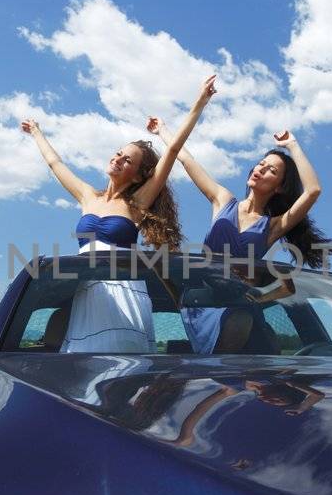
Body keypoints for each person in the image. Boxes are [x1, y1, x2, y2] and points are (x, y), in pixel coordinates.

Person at [22, 74, 217, 352]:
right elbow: (55, 163)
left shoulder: (138, 201)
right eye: (118, 154)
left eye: (128, 160)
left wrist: (200, 102)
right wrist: (37, 132)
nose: (118, 159)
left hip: (123, 292)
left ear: (138, 176)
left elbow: (172, 150)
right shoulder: (88, 196)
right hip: (87, 291)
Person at [145, 120, 332, 353]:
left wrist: (292, 145)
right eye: (261, 164)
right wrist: (162, 130)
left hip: (237, 307)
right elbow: (186, 160)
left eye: (271, 171)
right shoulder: (223, 200)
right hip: (203, 302)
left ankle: (224, 379)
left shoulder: (273, 226)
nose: (261, 169)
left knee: (240, 321)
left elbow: (313, 191)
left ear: (278, 187)